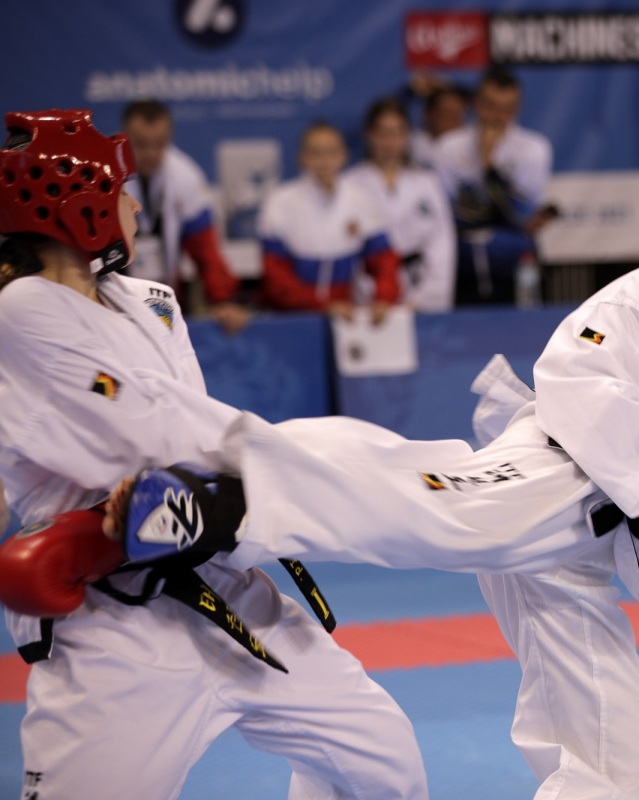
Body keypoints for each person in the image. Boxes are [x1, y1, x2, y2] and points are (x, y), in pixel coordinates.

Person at [100, 124, 639, 799]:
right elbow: (576, 380)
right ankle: (221, 494)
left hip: (589, 554)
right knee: (431, 507)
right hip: (555, 477)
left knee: (618, 766)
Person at [0, 109, 427, 799]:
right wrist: (291, 469)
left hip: (221, 582)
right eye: (121, 193)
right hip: (116, 631)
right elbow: (152, 430)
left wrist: (232, 475)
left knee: (382, 761)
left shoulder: (153, 301)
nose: (137, 208)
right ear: (78, 207)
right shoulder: (20, 309)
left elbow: (186, 435)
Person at [121, 99, 251, 334]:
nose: (150, 154)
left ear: (170, 137)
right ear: (125, 136)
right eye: (141, 144)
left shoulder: (186, 177)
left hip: (166, 299)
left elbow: (205, 250)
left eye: (159, 144)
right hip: (114, 300)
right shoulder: (105, 174)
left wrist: (223, 300)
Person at [258, 120, 400, 324]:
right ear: (301, 157)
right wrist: (321, 306)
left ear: (344, 155)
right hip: (291, 319)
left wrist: (384, 299)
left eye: (331, 152)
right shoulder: (280, 202)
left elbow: (384, 261)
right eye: (315, 153)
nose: (324, 160)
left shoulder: (360, 199)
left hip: (346, 318)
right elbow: (276, 277)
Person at [433, 65, 553, 305]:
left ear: (518, 109)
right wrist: (498, 211)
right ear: (476, 103)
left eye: (507, 109)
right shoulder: (448, 147)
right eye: (490, 106)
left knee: (524, 322)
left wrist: (488, 165)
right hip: (463, 261)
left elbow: (520, 215)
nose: (497, 116)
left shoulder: (534, 148)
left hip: (514, 259)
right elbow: (445, 214)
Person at [345, 97, 456, 313]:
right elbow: (347, 248)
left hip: (419, 286)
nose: (390, 142)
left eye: (397, 133)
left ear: (407, 136)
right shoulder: (350, 184)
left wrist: (426, 296)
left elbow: (442, 242)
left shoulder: (427, 182)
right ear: (369, 135)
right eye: (383, 133)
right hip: (369, 289)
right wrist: (369, 295)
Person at [404, 74, 470, 170]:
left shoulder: (470, 143)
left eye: (457, 116)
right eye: (447, 115)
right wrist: (409, 91)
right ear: (429, 115)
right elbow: (391, 109)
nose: (453, 123)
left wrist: (449, 84)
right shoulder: (413, 142)